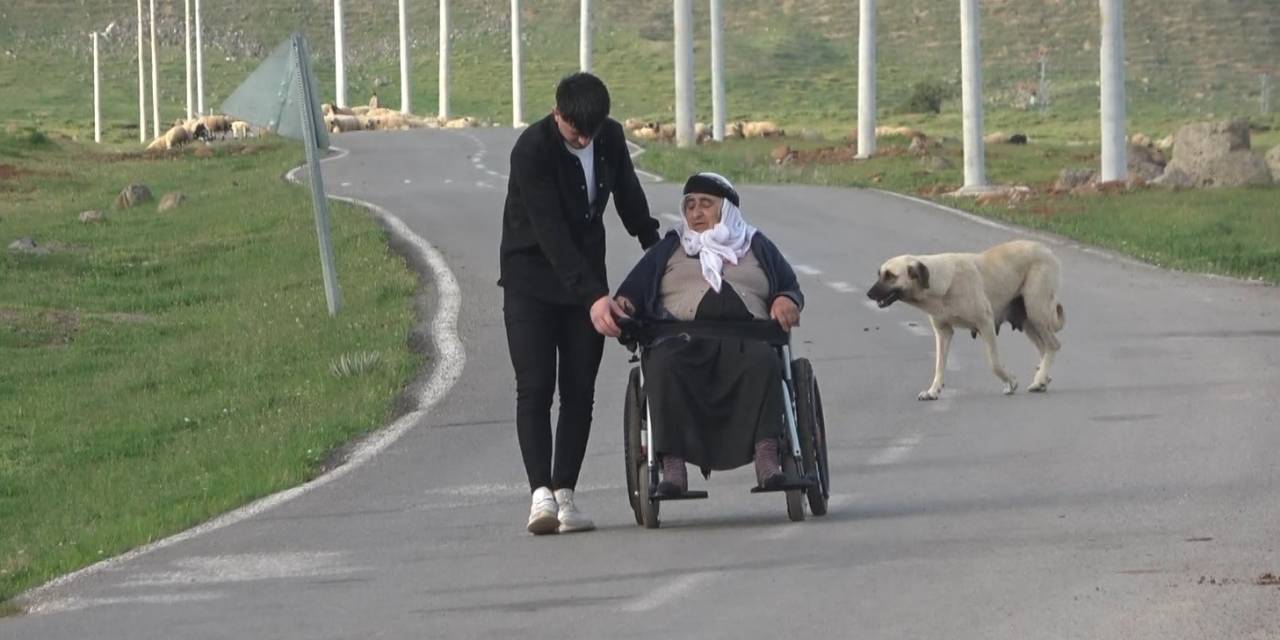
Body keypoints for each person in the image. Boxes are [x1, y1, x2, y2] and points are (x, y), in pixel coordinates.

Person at [499, 72, 661, 535]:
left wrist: (655, 245)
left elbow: (627, 192)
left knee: (579, 391)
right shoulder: (532, 150)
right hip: (531, 281)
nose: (584, 139)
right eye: (576, 132)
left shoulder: (607, 136)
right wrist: (593, 297)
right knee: (534, 387)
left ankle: (565, 493)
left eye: (591, 130)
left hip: (587, 282)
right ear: (557, 114)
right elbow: (550, 233)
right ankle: (540, 496)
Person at [609, 172, 803, 496]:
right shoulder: (671, 246)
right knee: (662, 364)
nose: (696, 213)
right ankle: (672, 466)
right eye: (690, 205)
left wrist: (785, 299)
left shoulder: (755, 244)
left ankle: (767, 458)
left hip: (747, 339)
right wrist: (624, 305)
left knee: (765, 362)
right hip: (681, 340)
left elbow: (788, 286)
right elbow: (633, 290)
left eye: (706, 205)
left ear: (726, 209)